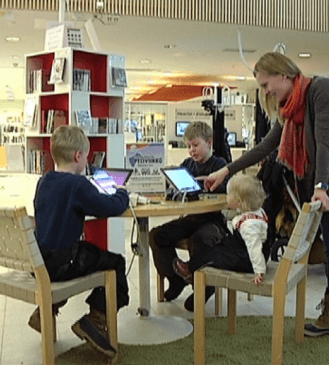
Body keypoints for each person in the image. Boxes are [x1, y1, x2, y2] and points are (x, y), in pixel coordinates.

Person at [204, 52, 329, 336]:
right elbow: (265, 147)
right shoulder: (289, 110)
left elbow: (324, 140)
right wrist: (226, 170)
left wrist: (321, 186)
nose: (266, 92)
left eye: (266, 85)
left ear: (283, 75)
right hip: (326, 185)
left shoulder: (322, 90)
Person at [31, 125, 130, 358]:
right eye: (86, 156)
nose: (86, 160)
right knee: (115, 263)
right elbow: (111, 207)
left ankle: (45, 311)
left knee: (88, 254)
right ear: (78, 156)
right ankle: (96, 319)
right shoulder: (78, 185)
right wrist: (122, 191)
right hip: (64, 262)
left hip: (40, 262)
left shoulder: (44, 180)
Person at [148, 121, 230, 308]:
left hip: (212, 220)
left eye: (195, 145)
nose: (191, 151)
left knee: (200, 240)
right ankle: (175, 279)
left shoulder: (219, 164)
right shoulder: (187, 165)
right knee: (156, 235)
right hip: (190, 219)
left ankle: (205, 286)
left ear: (209, 143)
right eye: (188, 146)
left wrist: (205, 185)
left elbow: (227, 189)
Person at [173, 174, 269, 309]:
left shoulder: (249, 225)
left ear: (239, 202)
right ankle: (194, 272)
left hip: (245, 259)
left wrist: (259, 271)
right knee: (215, 245)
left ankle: (191, 269)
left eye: (229, 195)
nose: (226, 196)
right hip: (240, 250)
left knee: (212, 255)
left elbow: (254, 248)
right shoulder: (256, 212)